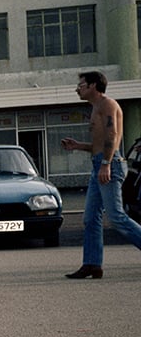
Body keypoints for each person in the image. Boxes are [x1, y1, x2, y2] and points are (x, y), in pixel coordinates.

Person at [60, 70, 141, 279]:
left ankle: (92, 263)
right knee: (90, 218)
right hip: (100, 164)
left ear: (94, 85)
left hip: (109, 165)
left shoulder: (107, 104)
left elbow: (112, 136)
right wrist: (78, 146)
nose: (77, 89)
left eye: (81, 85)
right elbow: (99, 144)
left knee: (116, 217)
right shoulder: (95, 107)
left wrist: (105, 163)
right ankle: (92, 264)